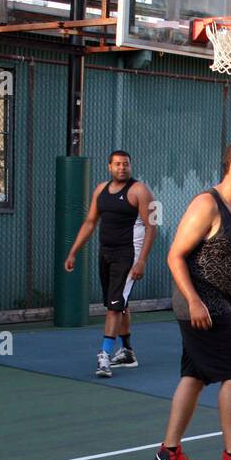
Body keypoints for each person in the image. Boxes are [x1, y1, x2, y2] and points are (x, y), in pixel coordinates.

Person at [148, 141, 231, 460]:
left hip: (223, 299)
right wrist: (195, 301)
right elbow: (175, 256)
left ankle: (169, 452)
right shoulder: (206, 204)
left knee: (196, 375)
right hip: (201, 303)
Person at [64, 150, 157, 378]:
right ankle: (126, 351)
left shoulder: (140, 191)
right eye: (117, 164)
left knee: (115, 305)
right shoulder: (100, 190)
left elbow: (152, 227)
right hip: (106, 253)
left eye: (125, 164)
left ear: (130, 166)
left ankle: (104, 355)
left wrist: (142, 260)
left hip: (129, 255)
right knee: (118, 304)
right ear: (109, 167)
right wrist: (73, 252)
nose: (122, 168)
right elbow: (90, 222)